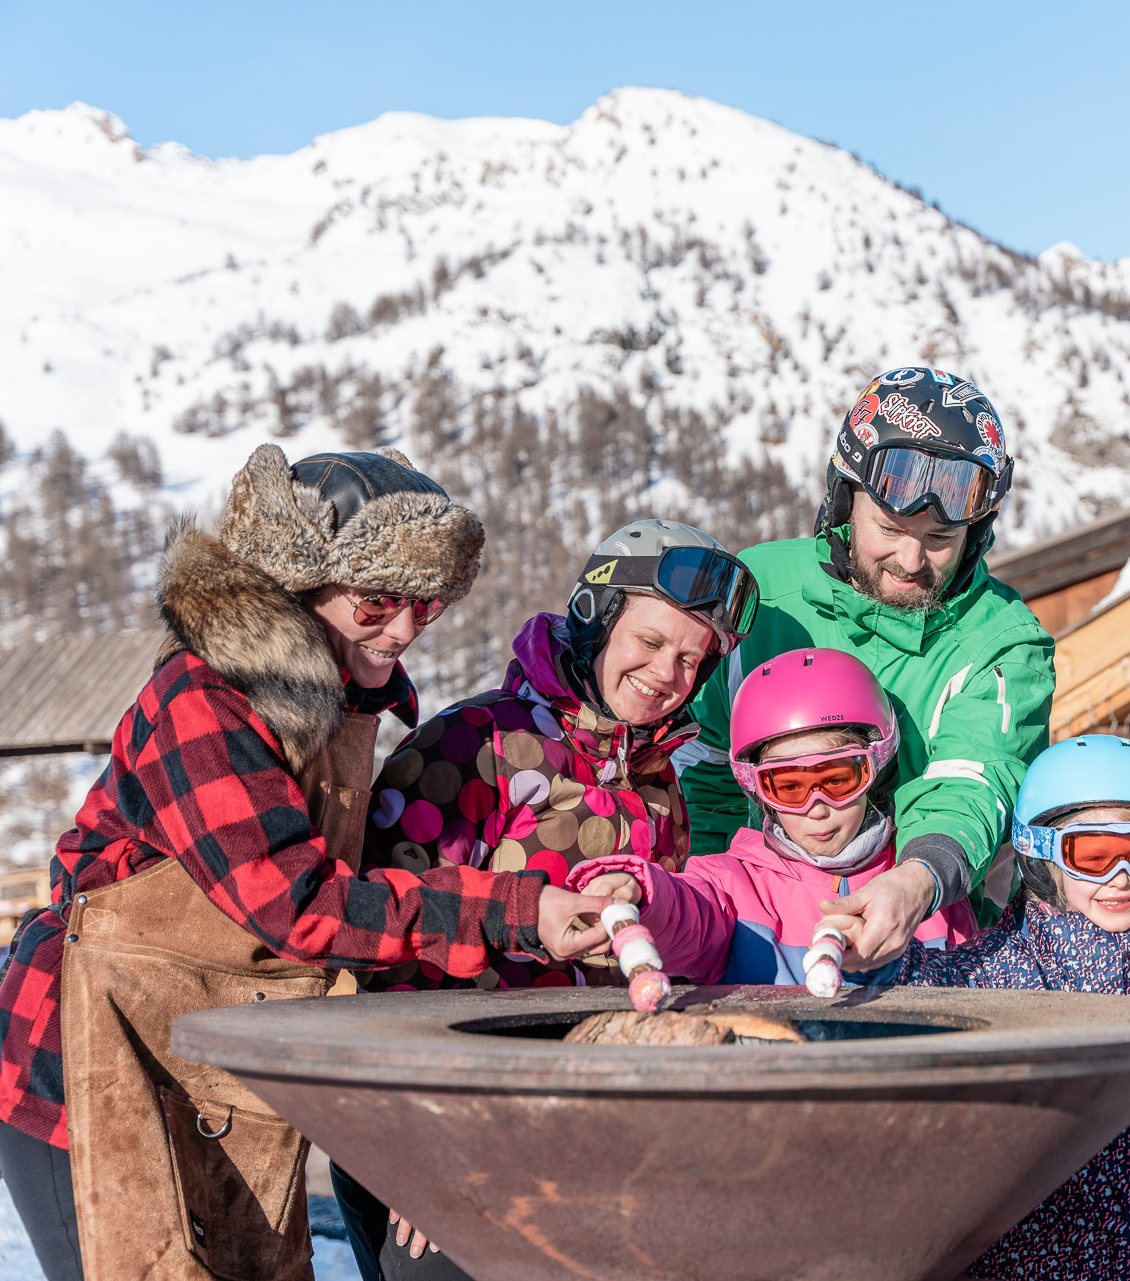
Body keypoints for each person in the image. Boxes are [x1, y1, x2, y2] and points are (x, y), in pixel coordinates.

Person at [0, 446, 618, 1281]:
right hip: (78, 1057)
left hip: (211, 1059)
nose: (405, 629)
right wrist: (513, 909)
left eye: (425, 604)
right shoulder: (201, 698)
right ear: (298, 581)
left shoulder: (344, 703)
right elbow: (295, 902)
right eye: (377, 601)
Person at [344, 517, 758, 1277]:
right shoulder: (477, 744)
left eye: (691, 659)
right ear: (597, 618)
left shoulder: (659, 787)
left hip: (579, 1134)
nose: (667, 674)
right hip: (442, 1117)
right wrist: (415, 1139)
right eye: (651, 641)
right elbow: (377, 938)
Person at [827, 734, 1130, 1281]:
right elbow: (910, 1002)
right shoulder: (993, 973)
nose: (1121, 877)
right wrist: (873, 960)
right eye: (1092, 856)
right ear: (1042, 856)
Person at [678, 367, 1054, 962]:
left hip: (931, 934)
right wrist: (707, 913)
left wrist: (917, 883)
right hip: (754, 931)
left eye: (940, 537)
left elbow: (974, 782)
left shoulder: (1002, 642)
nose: (911, 559)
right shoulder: (761, 596)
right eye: (889, 528)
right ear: (844, 503)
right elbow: (702, 766)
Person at [560, 647, 977, 983]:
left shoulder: (919, 882)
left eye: (837, 779)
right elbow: (687, 916)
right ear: (756, 789)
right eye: (789, 787)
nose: (816, 807)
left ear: (875, 766)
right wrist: (643, 894)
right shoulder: (733, 886)